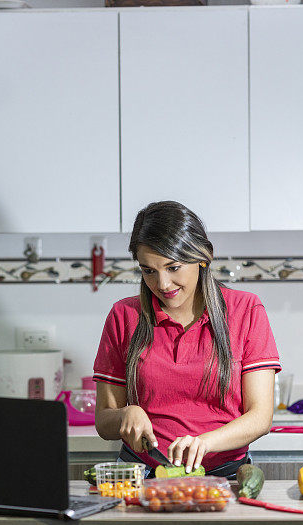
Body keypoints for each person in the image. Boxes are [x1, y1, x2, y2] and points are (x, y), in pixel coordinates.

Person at [92, 201, 281, 479]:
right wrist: (125, 414)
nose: (163, 284)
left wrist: (204, 443)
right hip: (141, 474)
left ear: (203, 257)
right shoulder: (124, 316)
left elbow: (260, 417)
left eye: (174, 267)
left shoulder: (246, 311)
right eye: (149, 271)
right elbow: (103, 421)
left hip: (224, 476)